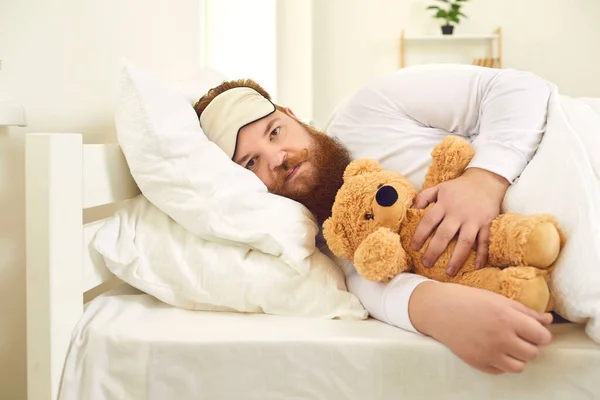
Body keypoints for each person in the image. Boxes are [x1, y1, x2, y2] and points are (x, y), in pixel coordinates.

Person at [193, 63, 555, 375]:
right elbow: (364, 280)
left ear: (291, 115)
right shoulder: (317, 235)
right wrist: (436, 310)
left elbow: (519, 87)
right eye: (251, 162)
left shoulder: (370, 106)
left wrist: (484, 180)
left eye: (275, 132)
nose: (277, 158)